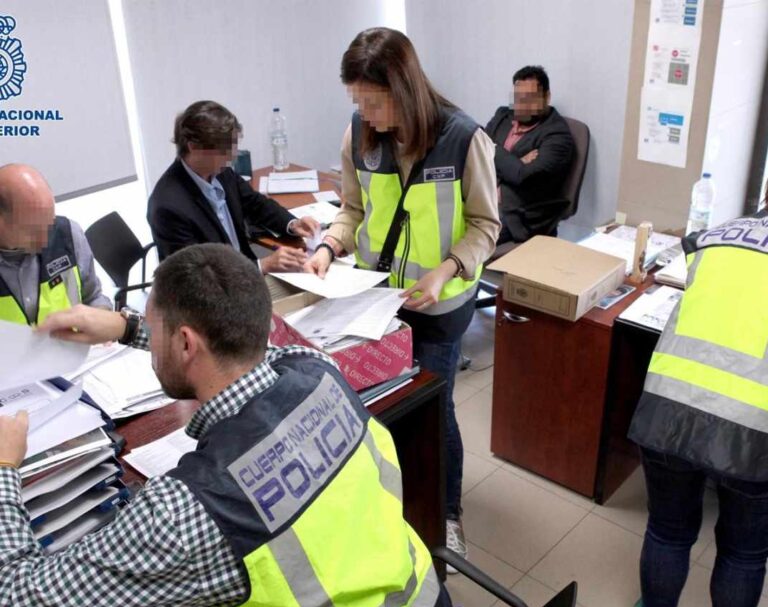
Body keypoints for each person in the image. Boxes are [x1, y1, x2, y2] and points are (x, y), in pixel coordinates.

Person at [0, 244, 452, 607]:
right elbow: (242, 350)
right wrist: (126, 327)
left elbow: (13, 604)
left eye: (157, 331)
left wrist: (5, 468)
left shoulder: (187, 511)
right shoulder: (316, 370)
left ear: (183, 343)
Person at [303, 27, 500, 567]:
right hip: (372, 305)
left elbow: (486, 225)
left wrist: (447, 270)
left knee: (434, 409)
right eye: (357, 102)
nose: (365, 114)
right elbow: (352, 209)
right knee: (376, 407)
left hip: (439, 306)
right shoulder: (358, 137)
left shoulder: (464, 139)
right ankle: (390, 507)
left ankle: (446, 514)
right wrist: (328, 245)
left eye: (373, 102)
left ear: (404, 89)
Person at [627, 212, 768, 607]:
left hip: (671, 403)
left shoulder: (716, 235)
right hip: (755, 421)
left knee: (668, 529)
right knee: (743, 549)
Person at [147, 100, 319, 274]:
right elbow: (195, 277)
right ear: (194, 147)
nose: (232, 156)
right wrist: (262, 265)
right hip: (216, 295)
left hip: (246, 276)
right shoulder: (168, 208)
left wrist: (292, 223)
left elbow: (256, 204)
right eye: (224, 150)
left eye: (233, 147)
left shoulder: (220, 172)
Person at [0, 163, 110, 324]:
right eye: (32, 231)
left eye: (49, 224)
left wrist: (101, 319)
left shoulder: (68, 235)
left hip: (73, 348)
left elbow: (93, 297)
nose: (44, 241)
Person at [485, 65, 575, 244]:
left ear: (546, 97)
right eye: (518, 98)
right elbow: (476, 153)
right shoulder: (503, 116)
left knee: (462, 237)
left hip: (518, 216)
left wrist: (492, 150)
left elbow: (524, 177)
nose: (522, 106)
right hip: (484, 199)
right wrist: (516, 162)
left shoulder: (557, 136)